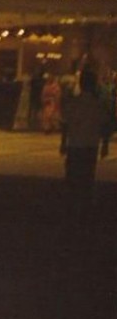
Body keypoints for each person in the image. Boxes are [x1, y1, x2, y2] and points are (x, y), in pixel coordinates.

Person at [60, 67, 111, 227]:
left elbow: (66, 124)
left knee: (73, 179)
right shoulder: (98, 104)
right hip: (90, 146)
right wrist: (105, 145)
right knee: (87, 179)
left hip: (75, 145)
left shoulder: (74, 103)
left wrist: (63, 143)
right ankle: (84, 212)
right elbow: (104, 126)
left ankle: (71, 211)